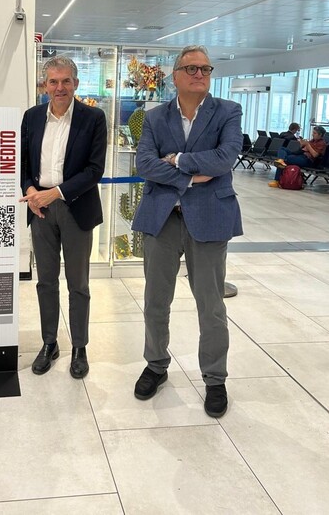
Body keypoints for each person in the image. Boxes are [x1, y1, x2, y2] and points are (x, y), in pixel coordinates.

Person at [132, 45, 243, 418]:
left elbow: (226, 158)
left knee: (211, 306)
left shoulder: (228, 111)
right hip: (162, 220)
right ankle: (156, 365)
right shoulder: (154, 116)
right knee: (155, 302)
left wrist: (177, 161)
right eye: (191, 68)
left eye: (205, 68)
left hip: (210, 218)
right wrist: (196, 174)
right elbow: (145, 163)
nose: (200, 74)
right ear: (175, 75)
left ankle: (215, 378)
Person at [20, 56, 107, 379]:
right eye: (53, 82)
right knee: (45, 281)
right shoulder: (31, 118)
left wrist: (53, 193)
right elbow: (24, 163)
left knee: (78, 284)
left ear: (76, 84)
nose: (59, 87)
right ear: (44, 85)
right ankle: (49, 343)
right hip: (39, 209)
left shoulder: (93, 118)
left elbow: (94, 170)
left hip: (76, 208)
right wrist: (30, 190)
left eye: (66, 81)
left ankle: (80, 347)